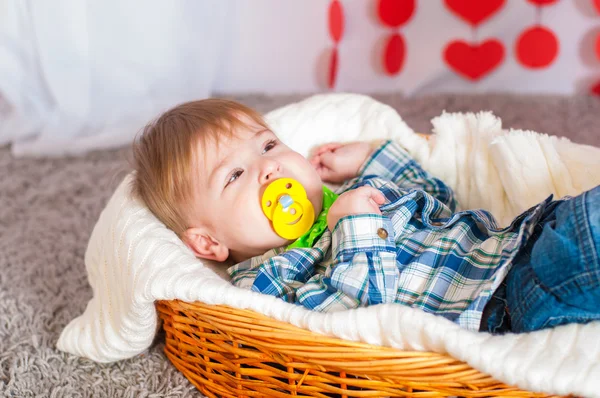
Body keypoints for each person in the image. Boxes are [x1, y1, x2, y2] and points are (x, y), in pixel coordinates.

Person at [132, 98, 600, 334]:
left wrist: (375, 162)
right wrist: (355, 227)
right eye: (235, 173)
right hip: (509, 297)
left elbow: (443, 201)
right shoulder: (268, 282)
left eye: (269, 145)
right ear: (208, 244)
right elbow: (359, 319)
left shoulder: (345, 196)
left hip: (526, 237)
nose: (269, 167)